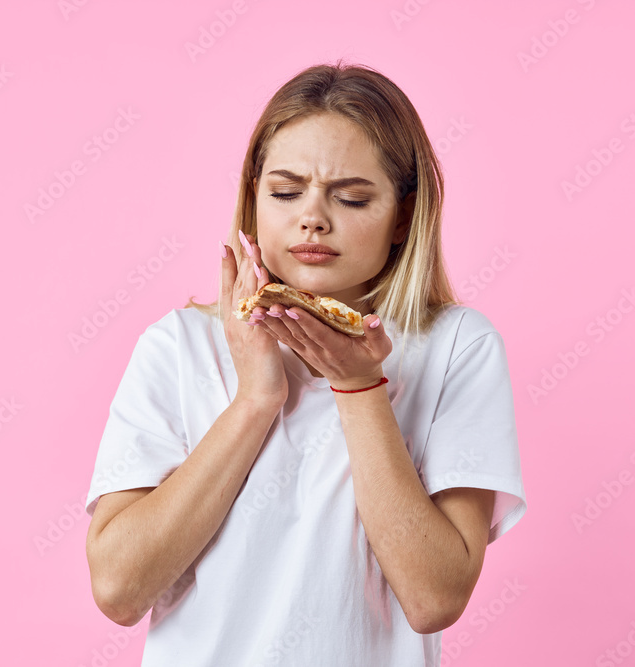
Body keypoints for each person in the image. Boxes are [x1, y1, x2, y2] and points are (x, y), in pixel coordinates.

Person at [84, 60, 527, 667]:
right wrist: (255, 401)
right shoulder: (178, 346)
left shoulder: (458, 348)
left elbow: (434, 599)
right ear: (254, 200)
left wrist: (359, 385)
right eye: (286, 192)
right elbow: (118, 589)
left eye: (351, 197)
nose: (313, 217)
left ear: (403, 216)